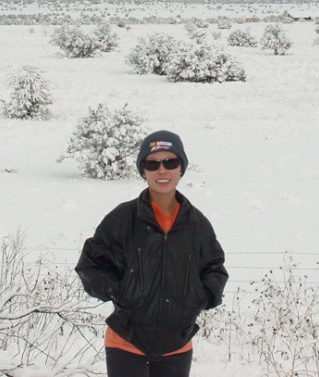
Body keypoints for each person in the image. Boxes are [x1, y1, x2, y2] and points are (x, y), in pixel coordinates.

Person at [76, 130, 228, 377]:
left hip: (176, 344)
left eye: (170, 162)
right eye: (152, 163)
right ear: (143, 170)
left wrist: (198, 297)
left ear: (181, 169)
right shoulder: (122, 219)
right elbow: (91, 265)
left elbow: (214, 268)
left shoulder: (196, 224)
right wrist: (118, 291)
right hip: (126, 341)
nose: (162, 170)